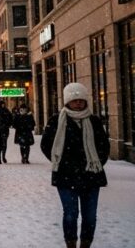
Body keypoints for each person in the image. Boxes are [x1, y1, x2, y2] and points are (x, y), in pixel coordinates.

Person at [40, 83, 109, 248]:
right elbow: (46, 144)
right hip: (65, 176)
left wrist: (96, 162)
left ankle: (86, 244)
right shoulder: (57, 121)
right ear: (67, 101)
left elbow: (103, 146)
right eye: (74, 100)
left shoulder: (93, 121)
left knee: (90, 216)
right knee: (70, 214)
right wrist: (60, 161)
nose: (78, 103)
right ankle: (70, 244)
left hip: (91, 176)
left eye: (81, 100)